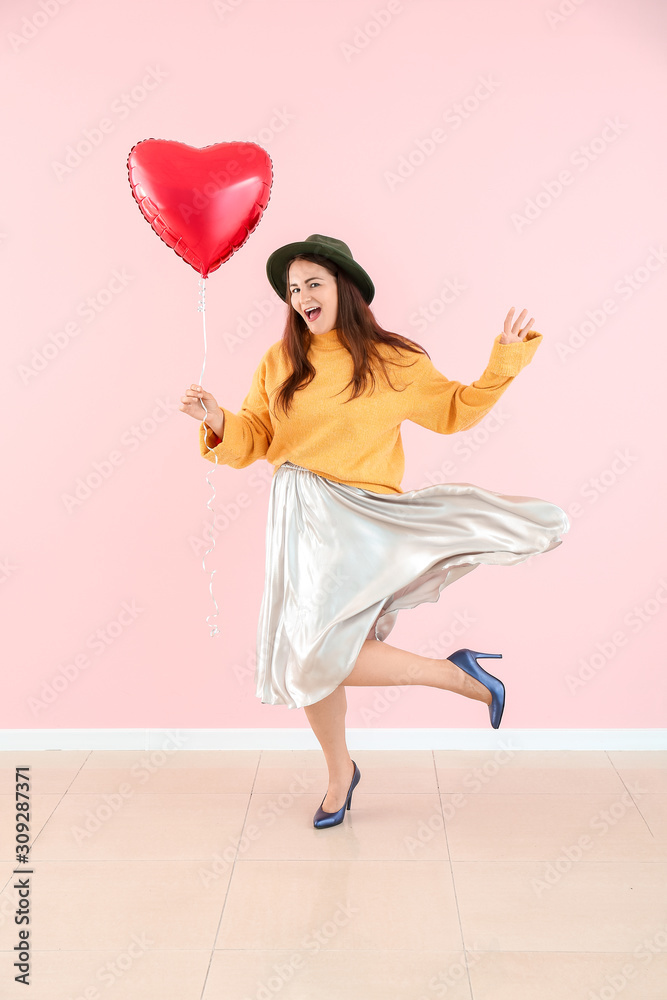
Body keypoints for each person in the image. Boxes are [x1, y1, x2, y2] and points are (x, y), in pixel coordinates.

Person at [180, 234, 570, 830]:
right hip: (301, 519)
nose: (302, 296)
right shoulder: (280, 361)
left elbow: (455, 410)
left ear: (345, 288)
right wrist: (217, 422)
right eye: (293, 289)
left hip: (362, 522)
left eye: (313, 283)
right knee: (310, 657)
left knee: (314, 653)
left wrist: (503, 362)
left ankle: (454, 675)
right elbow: (256, 438)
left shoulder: (394, 361)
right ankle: (341, 774)